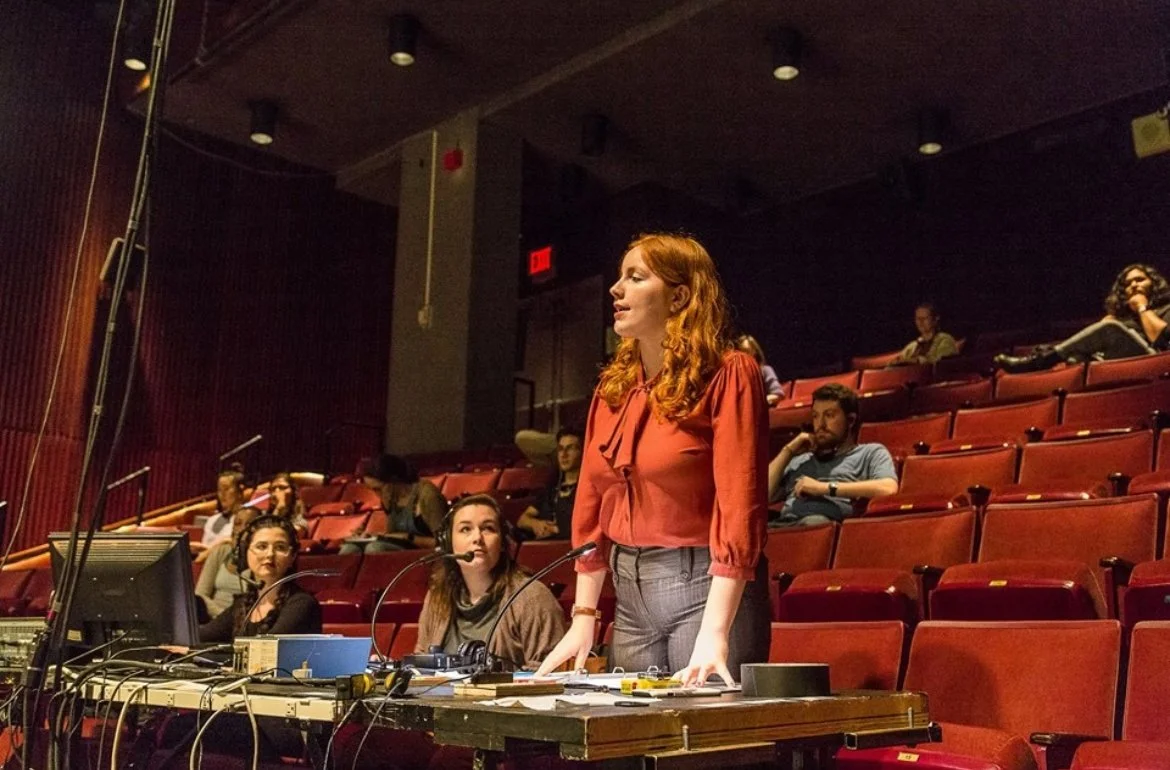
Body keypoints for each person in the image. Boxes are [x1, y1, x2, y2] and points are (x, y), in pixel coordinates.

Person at [534, 233, 771, 686]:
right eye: (619, 277)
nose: (614, 289)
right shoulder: (613, 388)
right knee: (627, 745)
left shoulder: (728, 372)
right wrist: (584, 614)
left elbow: (740, 501)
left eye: (635, 277)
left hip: (705, 584)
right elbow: (590, 502)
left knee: (702, 748)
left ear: (679, 295)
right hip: (629, 588)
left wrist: (716, 629)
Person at [416, 495, 566, 669]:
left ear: (502, 542)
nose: (477, 538)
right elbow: (421, 663)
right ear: (448, 542)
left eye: (488, 528)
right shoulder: (437, 598)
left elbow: (552, 671)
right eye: (465, 529)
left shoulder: (532, 597)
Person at [995, 264, 1170, 372]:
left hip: (1155, 362)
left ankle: (1040, 360)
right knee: (1075, 357)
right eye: (1128, 284)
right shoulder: (1118, 318)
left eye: (1140, 280)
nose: (1133, 285)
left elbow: (1162, 342)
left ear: (1154, 283)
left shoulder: (1165, 308)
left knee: (1110, 329)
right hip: (1116, 365)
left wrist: (1141, 307)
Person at [768, 383, 899, 526]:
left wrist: (823, 488)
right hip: (781, 526)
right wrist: (788, 451)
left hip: (822, 529)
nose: (820, 424)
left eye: (829, 415)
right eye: (815, 416)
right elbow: (762, 496)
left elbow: (888, 488)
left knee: (815, 521)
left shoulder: (870, 453)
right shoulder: (801, 460)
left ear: (850, 420)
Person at [199, 514, 321, 641]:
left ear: (292, 556)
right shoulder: (243, 605)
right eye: (261, 546)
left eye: (280, 547)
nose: (269, 554)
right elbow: (201, 636)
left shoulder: (302, 604)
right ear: (245, 553)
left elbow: (265, 650)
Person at [340, 454, 446, 555]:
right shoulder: (390, 498)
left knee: (375, 549)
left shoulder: (427, 496)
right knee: (349, 549)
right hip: (403, 548)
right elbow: (392, 535)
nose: (376, 494)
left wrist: (408, 537)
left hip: (425, 554)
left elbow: (445, 542)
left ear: (394, 480)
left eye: (378, 489)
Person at [515, 426, 583, 541]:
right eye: (560, 449)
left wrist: (555, 530)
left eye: (570, 448)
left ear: (582, 451)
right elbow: (522, 520)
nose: (564, 454)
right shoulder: (552, 488)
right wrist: (536, 524)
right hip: (544, 549)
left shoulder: (586, 489)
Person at [195, 507, 260, 618]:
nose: (241, 529)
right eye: (237, 523)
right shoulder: (221, 551)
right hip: (211, 618)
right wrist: (223, 617)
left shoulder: (262, 560)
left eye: (249, 525)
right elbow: (200, 595)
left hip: (241, 623)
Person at [892, 302, 959, 365]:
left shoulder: (945, 340)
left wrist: (917, 360)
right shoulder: (912, 346)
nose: (920, 322)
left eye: (925, 318)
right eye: (918, 318)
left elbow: (942, 363)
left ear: (935, 319)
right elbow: (897, 362)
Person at [200, 469, 248, 551]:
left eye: (226, 489)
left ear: (240, 491)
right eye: (219, 489)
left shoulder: (248, 518)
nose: (222, 494)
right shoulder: (212, 520)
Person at [734, 334, 785, 405]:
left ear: (754, 352)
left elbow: (778, 394)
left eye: (746, 351)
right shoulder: (735, 375)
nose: (743, 355)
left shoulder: (765, 370)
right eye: (740, 352)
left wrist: (755, 404)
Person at [267, 471, 309, 536]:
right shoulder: (262, 515)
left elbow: (276, 536)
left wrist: (279, 508)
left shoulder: (300, 520)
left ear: (293, 492)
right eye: (273, 489)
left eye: (282, 487)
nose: (277, 492)